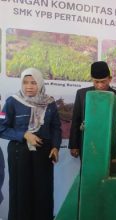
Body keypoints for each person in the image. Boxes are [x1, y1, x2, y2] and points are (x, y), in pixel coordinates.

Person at [0, 68, 61, 220]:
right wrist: (24, 134)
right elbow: (1, 127)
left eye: (33, 82)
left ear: (40, 83)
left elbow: (55, 127)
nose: (29, 86)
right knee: (21, 191)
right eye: (25, 82)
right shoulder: (12, 102)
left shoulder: (50, 102)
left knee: (43, 191)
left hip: (43, 153)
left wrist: (55, 147)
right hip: (19, 153)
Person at [69, 61, 116, 158]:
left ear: (110, 79)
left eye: (103, 81)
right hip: (87, 143)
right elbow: (76, 120)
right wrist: (74, 145)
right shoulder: (82, 94)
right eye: (96, 82)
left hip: (109, 145)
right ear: (92, 80)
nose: (100, 85)